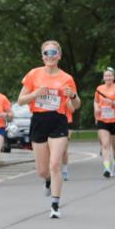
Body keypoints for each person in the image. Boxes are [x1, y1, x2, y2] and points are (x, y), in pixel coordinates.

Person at [17, 40, 79, 219]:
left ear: (59, 56)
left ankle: (55, 204)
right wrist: (36, 94)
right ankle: (48, 180)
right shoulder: (34, 74)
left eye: (53, 53)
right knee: (42, 170)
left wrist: (72, 96)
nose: (50, 56)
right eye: (47, 53)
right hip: (38, 121)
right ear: (42, 56)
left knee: (55, 164)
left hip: (58, 120)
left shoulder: (66, 78)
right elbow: (21, 100)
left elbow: (75, 105)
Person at [94, 67, 115, 178]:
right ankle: (107, 168)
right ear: (103, 78)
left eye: (110, 75)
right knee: (105, 144)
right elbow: (96, 101)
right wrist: (96, 109)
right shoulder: (99, 88)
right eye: (106, 76)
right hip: (103, 119)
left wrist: (112, 102)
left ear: (113, 77)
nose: (108, 77)